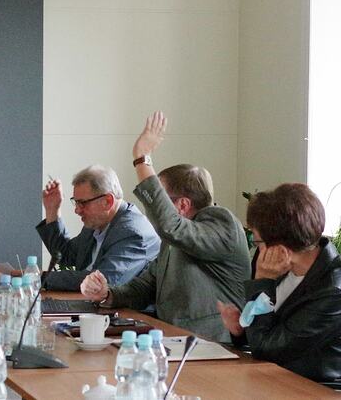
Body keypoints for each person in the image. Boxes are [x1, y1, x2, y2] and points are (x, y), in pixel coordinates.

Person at [81, 112, 250, 342]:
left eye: (162, 198)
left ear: (183, 205)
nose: (155, 208)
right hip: (172, 340)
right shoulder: (178, 236)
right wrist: (107, 294)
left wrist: (142, 160)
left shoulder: (222, 223)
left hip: (213, 345)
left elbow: (171, 226)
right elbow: (146, 286)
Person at [217, 184, 341, 383]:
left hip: (310, 389)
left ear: (280, 248)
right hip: (274, 379)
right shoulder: (285, 269)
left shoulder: (333, 291)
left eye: (257, 242)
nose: (257, 249)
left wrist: (262, 281)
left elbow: (267, 350)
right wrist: (241, 330)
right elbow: (266, 333)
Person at [38, 165, 160, 291]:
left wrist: (39, 277)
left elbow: (102, 281)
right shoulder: (97, 223)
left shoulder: (132, 232)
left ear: (107, 201)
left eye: (83, 203)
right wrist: (52, 210)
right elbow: (65, 255)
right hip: (89, 300)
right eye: (76, 202)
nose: (77, 210)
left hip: (123, 304)